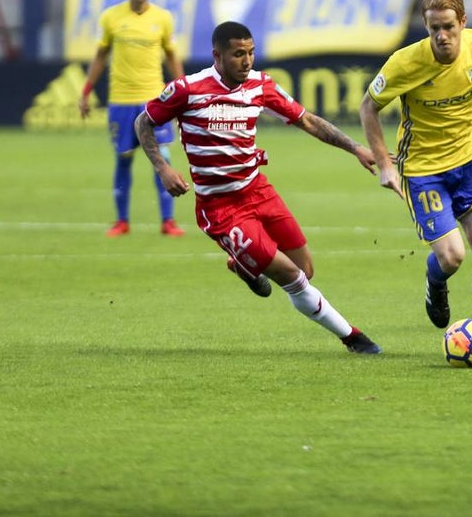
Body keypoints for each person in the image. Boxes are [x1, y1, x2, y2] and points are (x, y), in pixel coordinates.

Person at [134, 21, 383, 355]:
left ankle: (241, 262)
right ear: (217, 55)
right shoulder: (188, 89)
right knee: (293, 277)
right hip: (221, 210)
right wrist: (163, 168)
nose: (247, 60)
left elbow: (307, 120)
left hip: (257, 191)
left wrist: (356, 148)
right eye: (238, 54)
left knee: (306, 271)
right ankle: (353, 338)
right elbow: (144, 122)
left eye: (250, 52)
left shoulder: (261, 85)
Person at [359, 0, 472, 343]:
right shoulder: (405, 62)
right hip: (422, 170)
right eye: (434, 27)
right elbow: (368, 107)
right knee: (452, 257)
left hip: (469, 161)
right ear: (425, 25)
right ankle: (435, 280)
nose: (442, 35)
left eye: (449, 26)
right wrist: (384, 164)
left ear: (463, 23)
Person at [79, 0, 186, 238]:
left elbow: (172, 56)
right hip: (121, 100)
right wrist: (86, 90)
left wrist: (183, 92)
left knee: (161, 158)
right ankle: (122, 220)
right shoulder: (111, 18)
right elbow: (101, 56)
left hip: (153, 100)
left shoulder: (163, 18)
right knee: (123, 159)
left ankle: (168, 221)